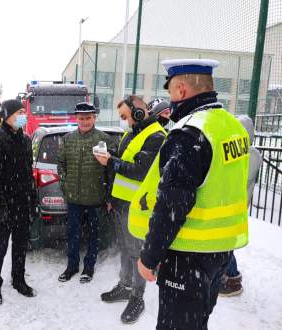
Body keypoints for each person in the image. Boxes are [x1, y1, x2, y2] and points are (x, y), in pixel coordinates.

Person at [129, 59, 250, 330]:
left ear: (181, 90)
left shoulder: (190, 133)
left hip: (187, 256)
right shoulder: (231, 126)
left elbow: (172, 204)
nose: (170, 99)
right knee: (197, 322)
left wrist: (149, 257)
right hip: (219, 252)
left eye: (171, 92)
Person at [95, 96, 166, 324]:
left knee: (136, 251)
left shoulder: (156, 136)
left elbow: (140, 171)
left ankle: (137, 297)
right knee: (125, 248)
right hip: (122, 203)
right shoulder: (131, 133)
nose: (125, 122)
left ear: (138, 112)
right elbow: (121, 162)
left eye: (126, 116)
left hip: (138, 206)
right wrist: (111, 197)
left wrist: (111, 162)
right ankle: (124, 286)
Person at [0, 99, 38, 305]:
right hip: (4, 204)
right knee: (0, 246)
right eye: (18, 113)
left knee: (20, 245)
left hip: (23, 203)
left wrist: (32, 200)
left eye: (24, 112)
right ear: (7, 115)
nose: (23, 116)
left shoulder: (26, 139)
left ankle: (18, 279)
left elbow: (28, 173)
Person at [57, 102, 114, 283]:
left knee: (93, 235)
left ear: (94, 118)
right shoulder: (68, 139)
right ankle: (72, 267)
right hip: (73, 198)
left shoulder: (103, 139)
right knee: (73, 234)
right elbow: (61, 164)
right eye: (81, 118)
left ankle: (89, 268)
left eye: (88, 118)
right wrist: (65, 183)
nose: (85, 121)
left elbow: (110, 170)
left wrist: (108, 195)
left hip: (95, 199)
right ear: (76, 119)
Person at [219, 115, 262, 296]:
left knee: (225, 244)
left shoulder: (248, 154)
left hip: (234, 204)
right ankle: (228, 276)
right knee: (224, 242)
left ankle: (232, 279)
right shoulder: (249, 153)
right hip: (236, 203)